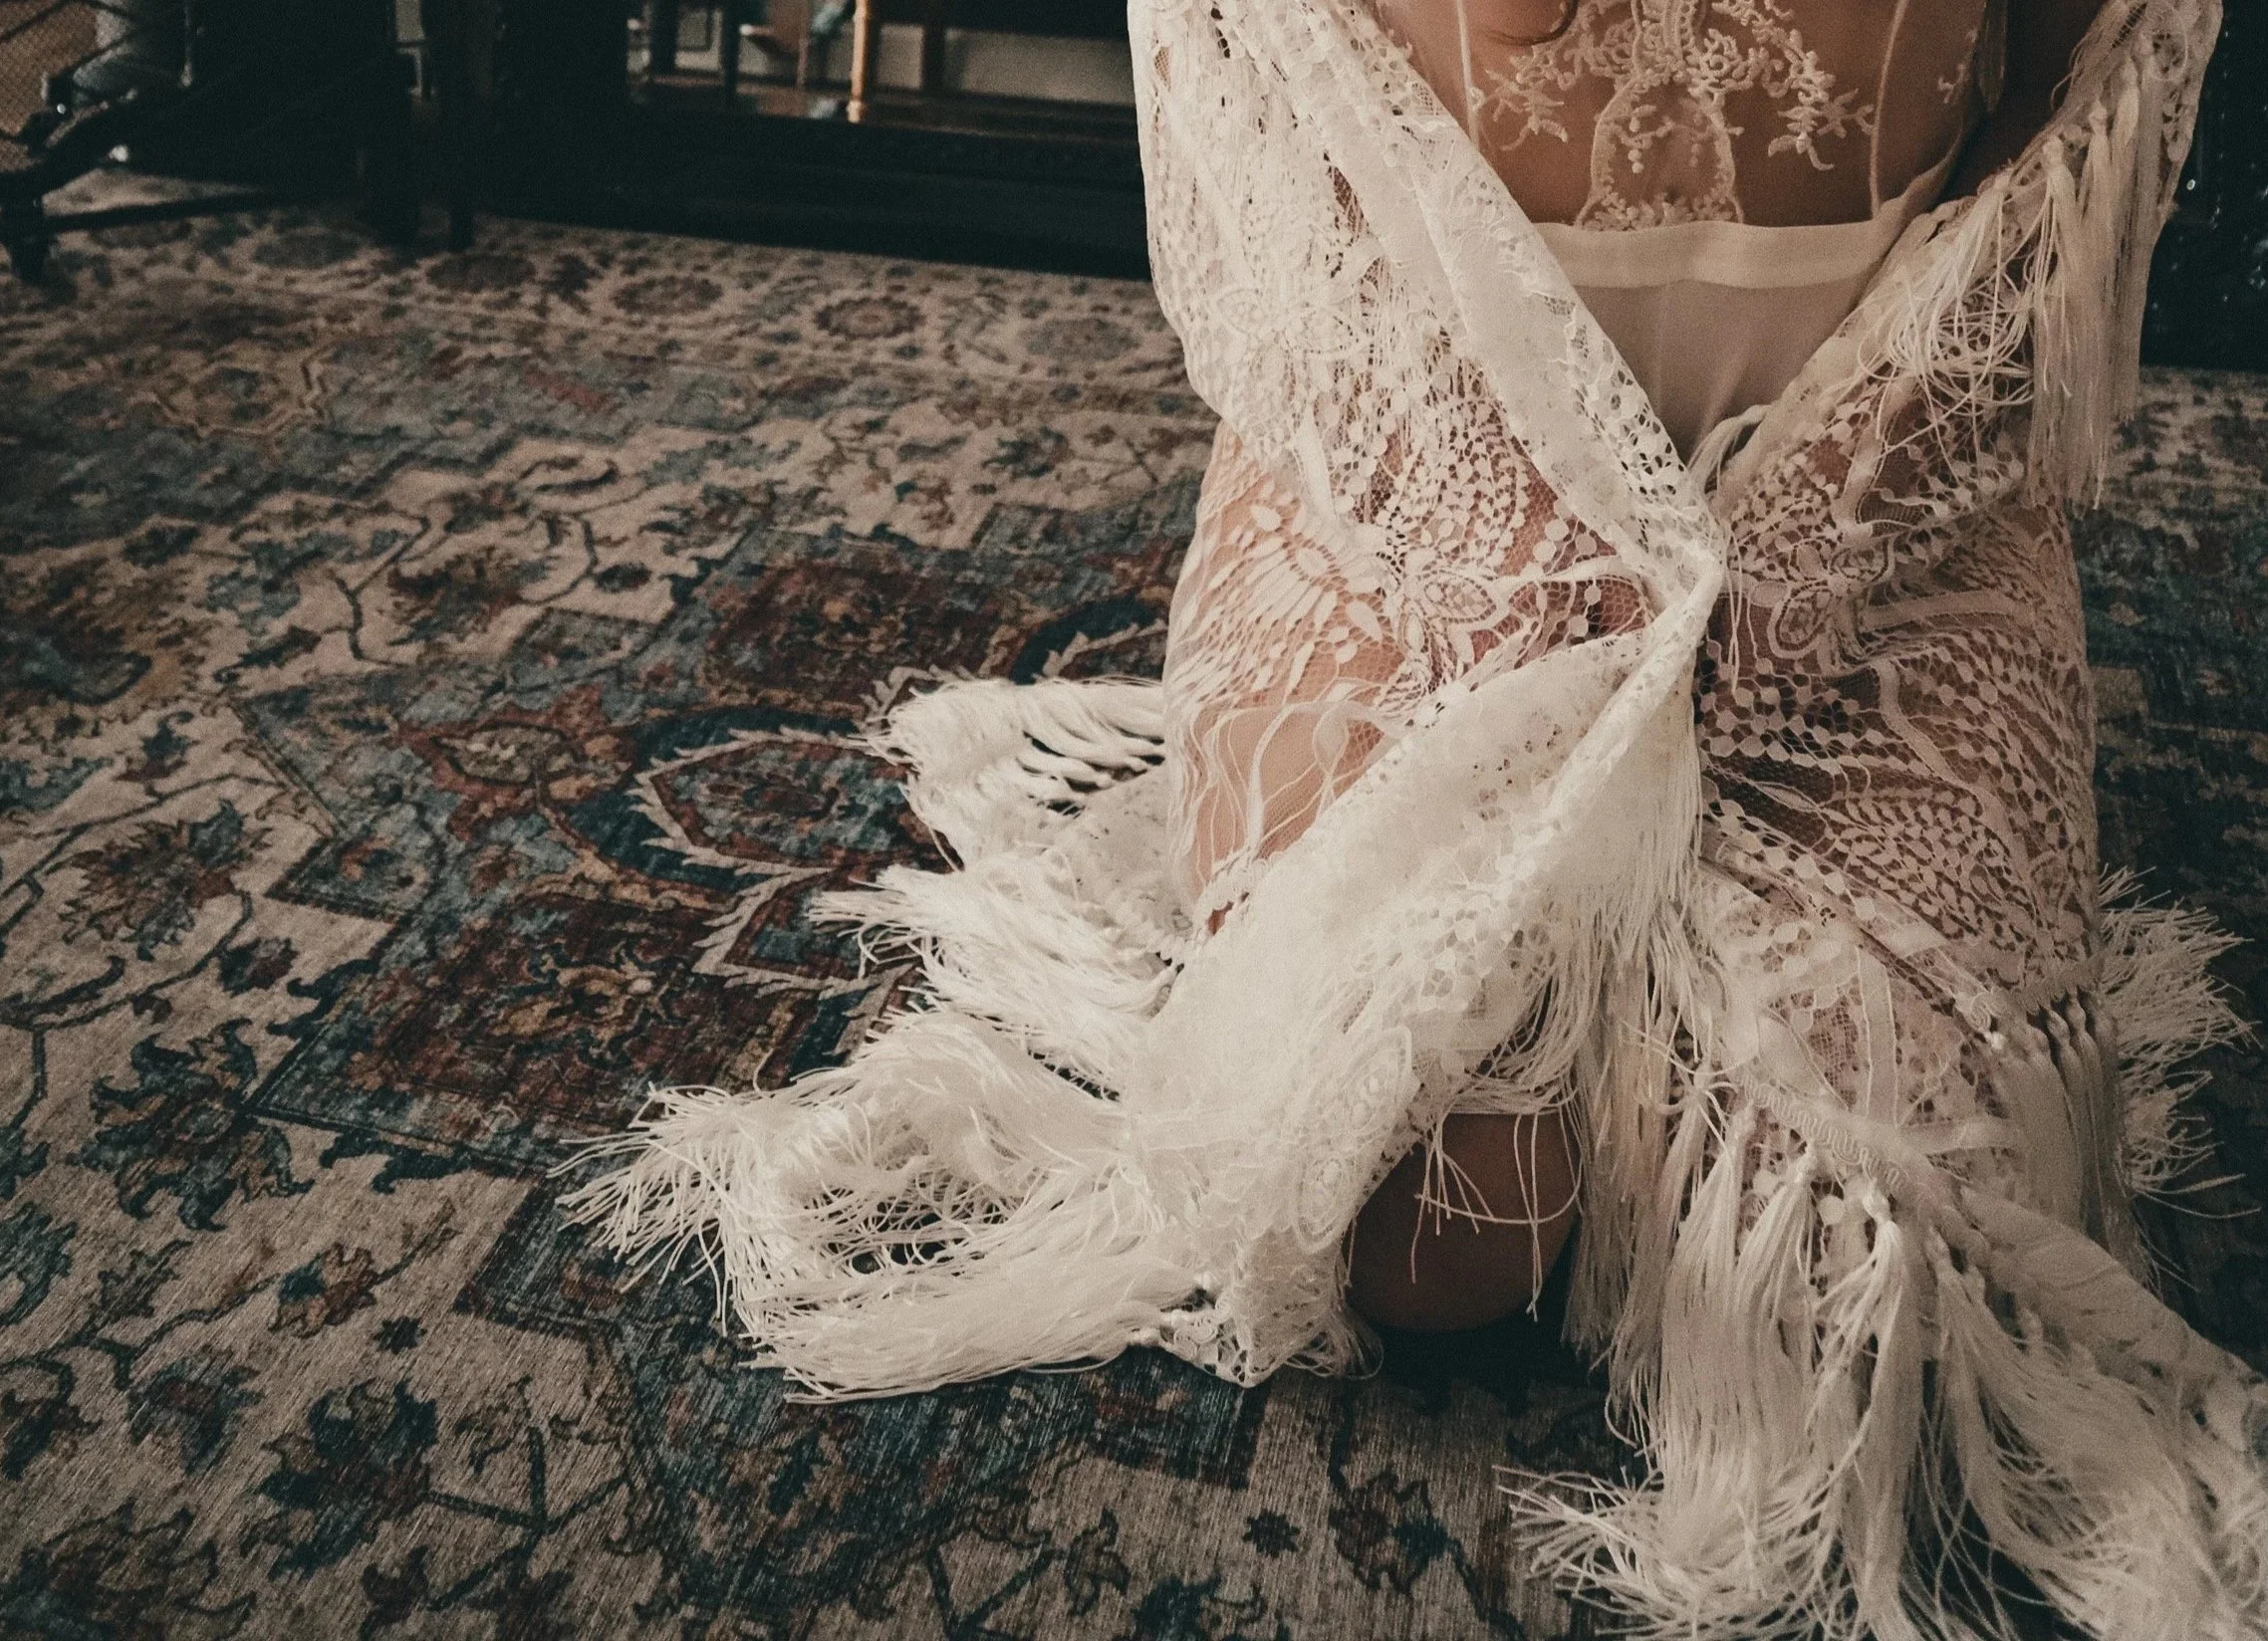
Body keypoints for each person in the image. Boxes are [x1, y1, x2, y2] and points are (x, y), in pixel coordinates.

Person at [569, 2, 2265, 1633]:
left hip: (1878, 514)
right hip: (1413, 480)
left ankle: (1678, 1007)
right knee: (1436, 1222)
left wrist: (1792, 574)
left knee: (1864, 1294)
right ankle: (1577, 1009)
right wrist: (1544, 619)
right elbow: (1280, 177)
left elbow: (2061, 145)